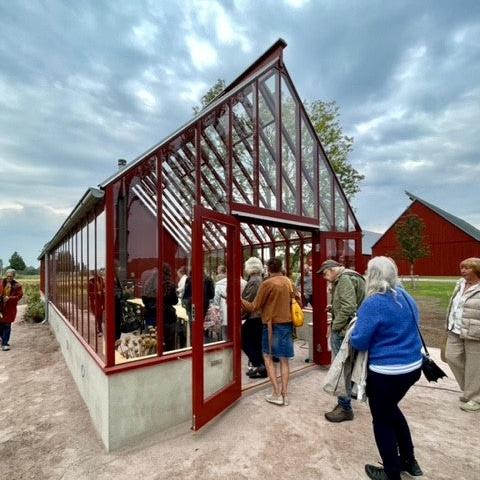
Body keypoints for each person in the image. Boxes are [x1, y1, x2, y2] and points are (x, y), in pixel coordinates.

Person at [350, 256, 423, 480]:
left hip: (386, 373)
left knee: (381, 421)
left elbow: (360, 341)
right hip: (412, 367)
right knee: (392, 410)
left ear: (371, 276)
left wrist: (353, 331)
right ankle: (410, 462)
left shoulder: (373, 302)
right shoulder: (406, 296)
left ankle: (392, 473)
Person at [242, 257, 294, 406]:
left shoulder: (267, 284)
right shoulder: (289, 282)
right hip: (287, 325)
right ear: (281, 267)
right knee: (284, 360)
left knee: (268, 359)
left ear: (268, 269)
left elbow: (253, 307)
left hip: (271, 326)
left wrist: (237, 299)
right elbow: (297, 300)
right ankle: (285, 394)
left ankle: (276, 394)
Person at [318, 259, 365, 422]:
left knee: (342, 369)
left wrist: (335, 327)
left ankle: (345, 407)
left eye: (325, 273)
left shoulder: (344, 279)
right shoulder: (352, 276)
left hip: (344, 331)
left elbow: (349, 306)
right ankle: (346, 401)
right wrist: (333, 307)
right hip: (352, 328)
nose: (325, 277)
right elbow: (351, 303)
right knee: (347, 367)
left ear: (332, 270)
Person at [445, 257, 480, 412]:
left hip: (475, 332)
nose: (463, 270)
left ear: (476, 269)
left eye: (467, 268)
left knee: (475, 367)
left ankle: (475, 398)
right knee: (451, 357)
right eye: (461, 267)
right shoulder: (460, 284)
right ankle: (469, 390)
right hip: (455, 328)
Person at [241, 257, 267, 378]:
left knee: (244, 339)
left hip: (254, 316)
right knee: (256, 343)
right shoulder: (260, 279)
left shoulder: (253, 281)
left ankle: (258, 364)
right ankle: (262, 368)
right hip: (260, 316)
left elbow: (248, 300)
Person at [0, 269, 23, 351]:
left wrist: (9, 298)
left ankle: (5, 343)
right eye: (8, 276)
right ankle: (3, 339)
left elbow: (19, 296)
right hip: (1, 307)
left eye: (11, 276)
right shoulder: (1, 282)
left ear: (14, 276)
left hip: (10, 308)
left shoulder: (17, 285)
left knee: (7, 325)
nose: (9, 277)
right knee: (1, 325)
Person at [88, 271, 105, 336]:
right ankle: (99, 329)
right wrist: (96, 293)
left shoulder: (101, 280)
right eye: (95, 274)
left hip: (101, 301)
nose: (96, 275)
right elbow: (89, 293)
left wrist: (103, 291)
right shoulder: (90, 282)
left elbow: (104, 287)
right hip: (95, 301)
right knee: (97, 315)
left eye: (97, 274)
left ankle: (99, 329)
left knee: (99, 316)